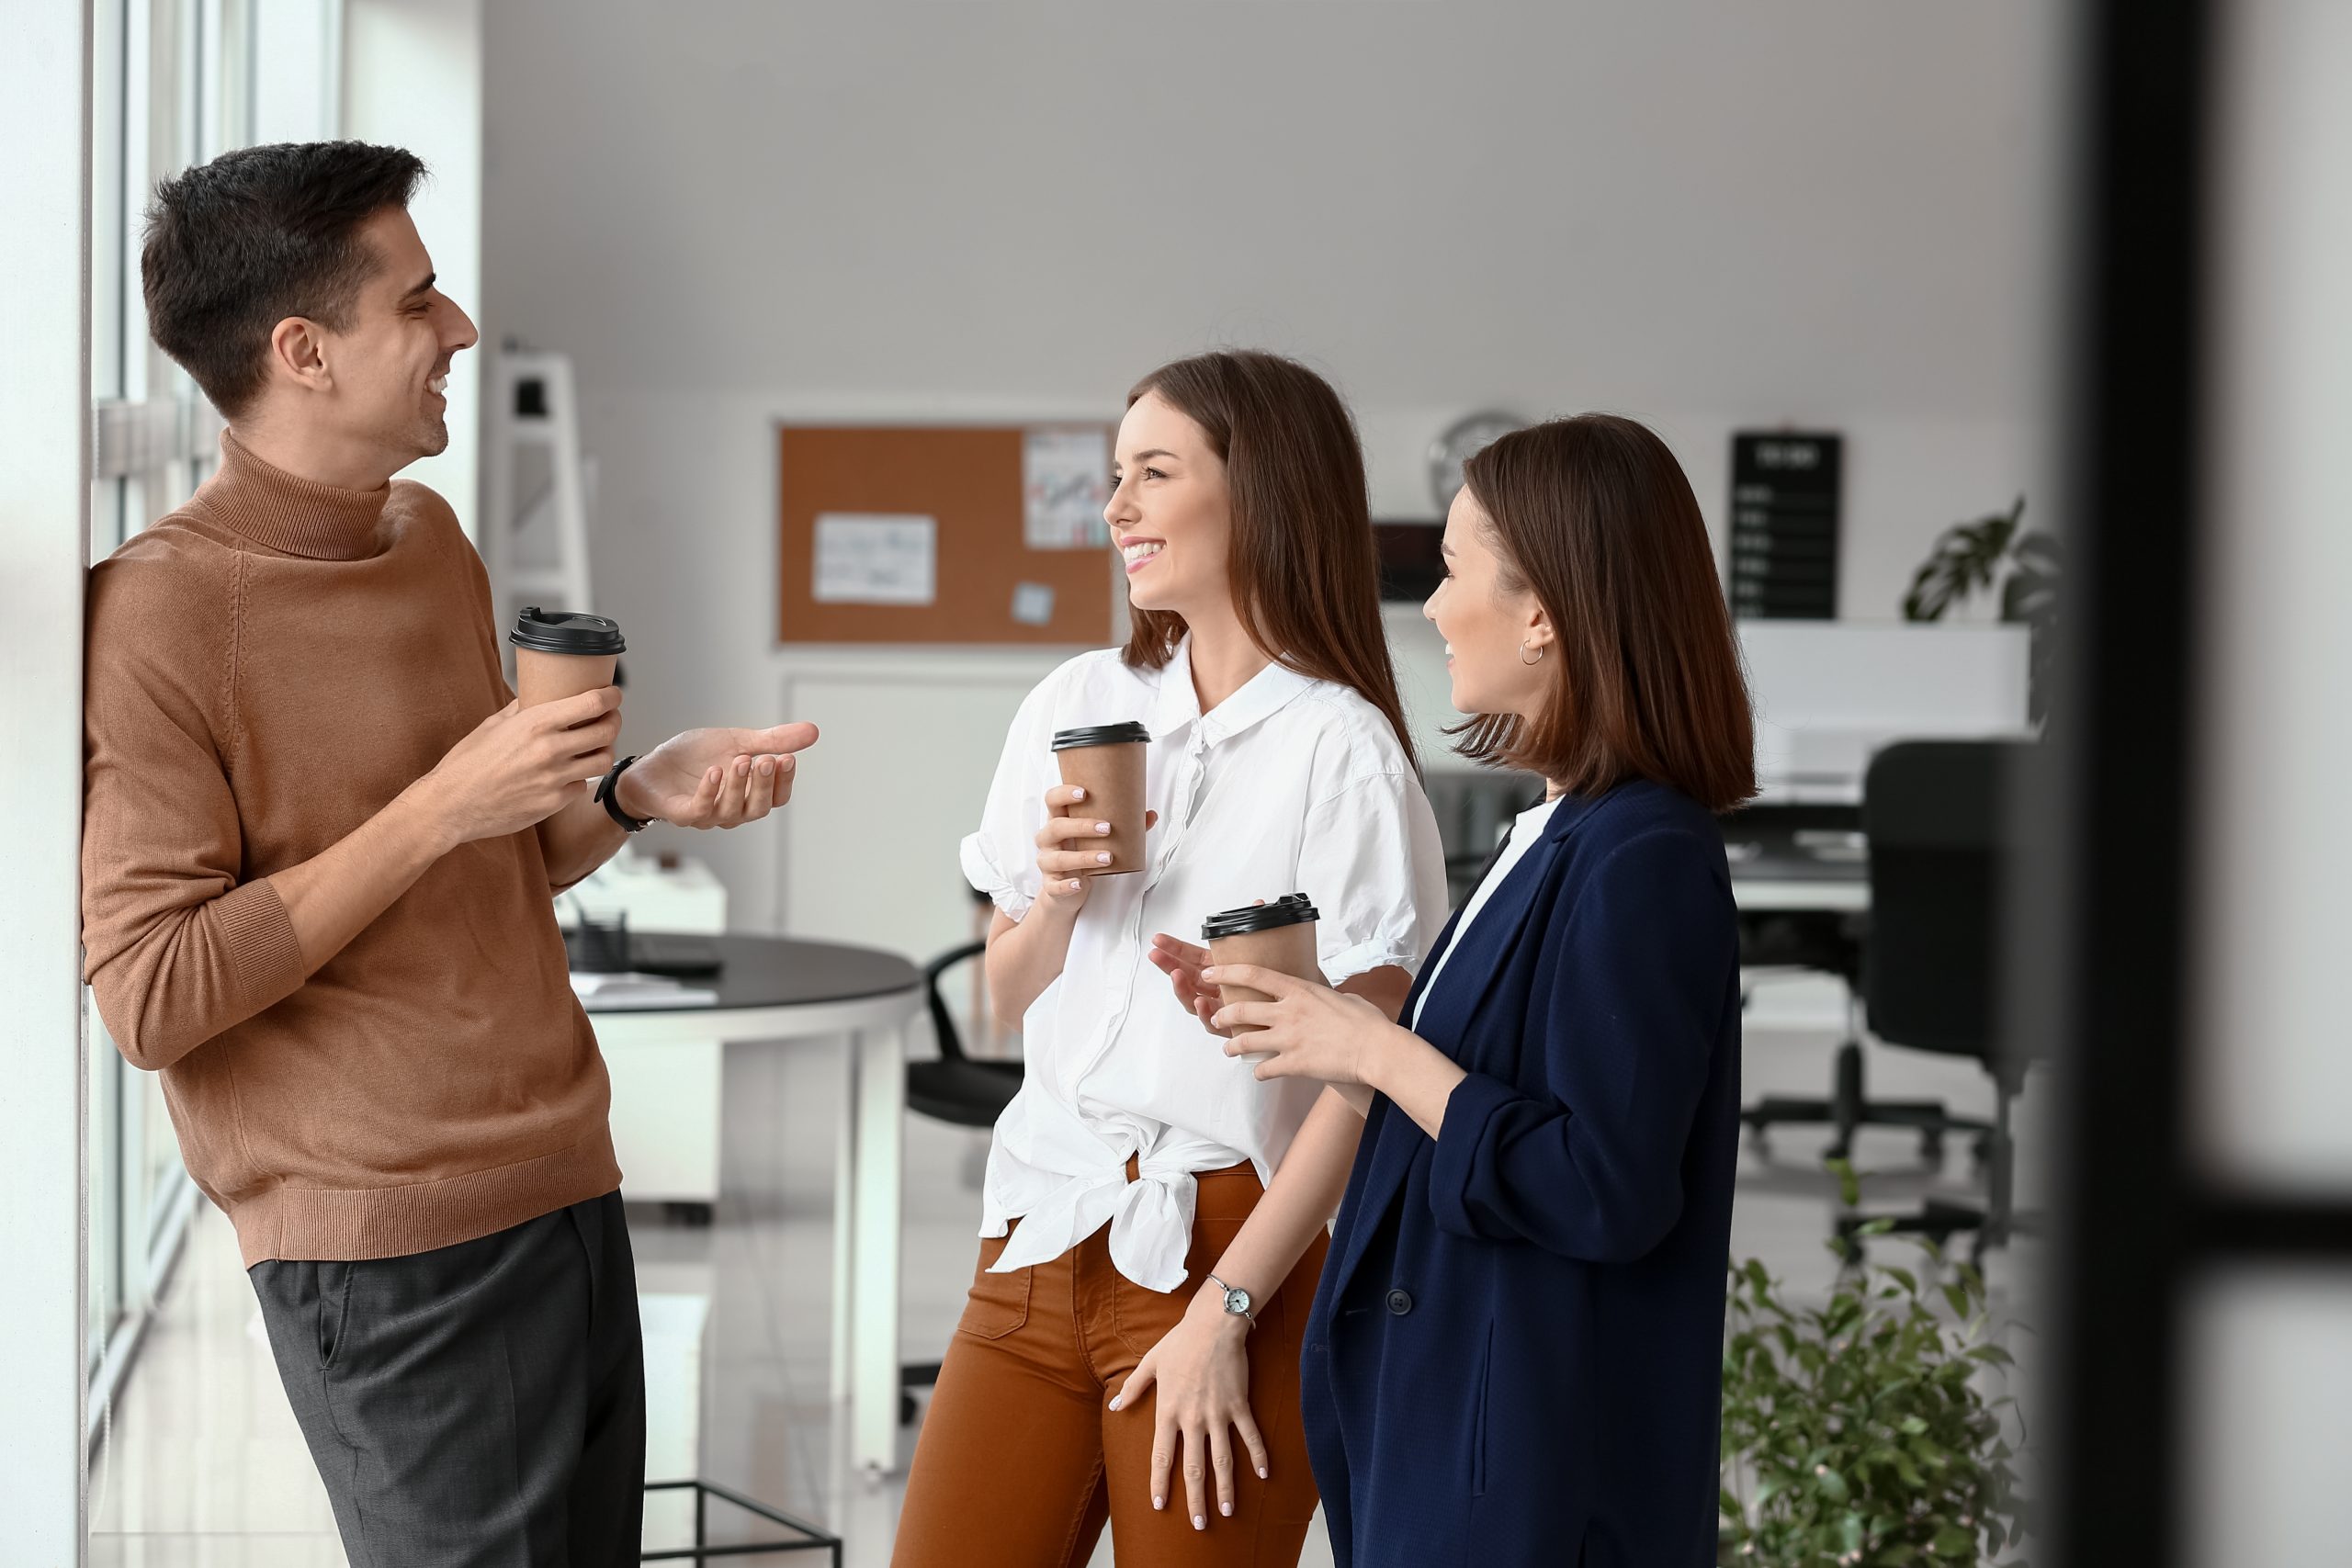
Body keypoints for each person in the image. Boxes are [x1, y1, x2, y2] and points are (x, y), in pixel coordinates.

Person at [79, 141, 817, 1567]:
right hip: (392, 1259)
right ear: (301, 350)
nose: (460, 330)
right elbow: (150, 992)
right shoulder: (158, 615)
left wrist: (633, 793)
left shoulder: (428, 535)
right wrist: (441, 800)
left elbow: (495, 867)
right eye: (418, 301)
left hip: (567, 1185)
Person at [891, 351, 1450, 1568]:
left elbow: (1367, 1086)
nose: (1116, 506)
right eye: (1114, 475)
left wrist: (1227, 1307)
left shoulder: (1341, 752)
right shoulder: (1076, 698)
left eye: (1154, 471)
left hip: (1234, 1242)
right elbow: (1001, 994)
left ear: (1260, 496)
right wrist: (1052, 898)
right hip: (1041, 1220)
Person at [1206, 414, 1756, 1566]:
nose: (1433, 608)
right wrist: (1322, 1022)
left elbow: (1600, 1186)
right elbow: (1482, 1083)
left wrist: (1373, 1048)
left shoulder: (1643, 854)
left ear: (1543, 611)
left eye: (1453, 572)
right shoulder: (1554, 833)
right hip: (1458, 1432)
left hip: (1527, 1481)